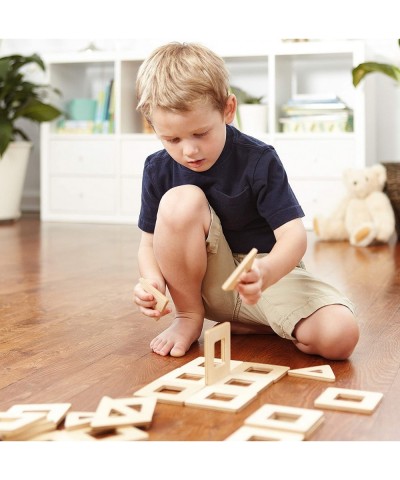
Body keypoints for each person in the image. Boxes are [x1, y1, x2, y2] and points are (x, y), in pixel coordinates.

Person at [133, 42, 359, 360]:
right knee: (180, 201)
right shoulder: (156, 169)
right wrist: (152, 282)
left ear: (228, 110)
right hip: (203, 287)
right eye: (172, 139)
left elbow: (293, 237)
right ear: (153, 126)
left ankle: (252, 321)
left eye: (200, 133)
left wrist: (266, 272)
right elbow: (149, 244)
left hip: (267, 277)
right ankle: (188, 317)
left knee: (340, 336)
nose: (189, 151)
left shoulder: (259, 159)